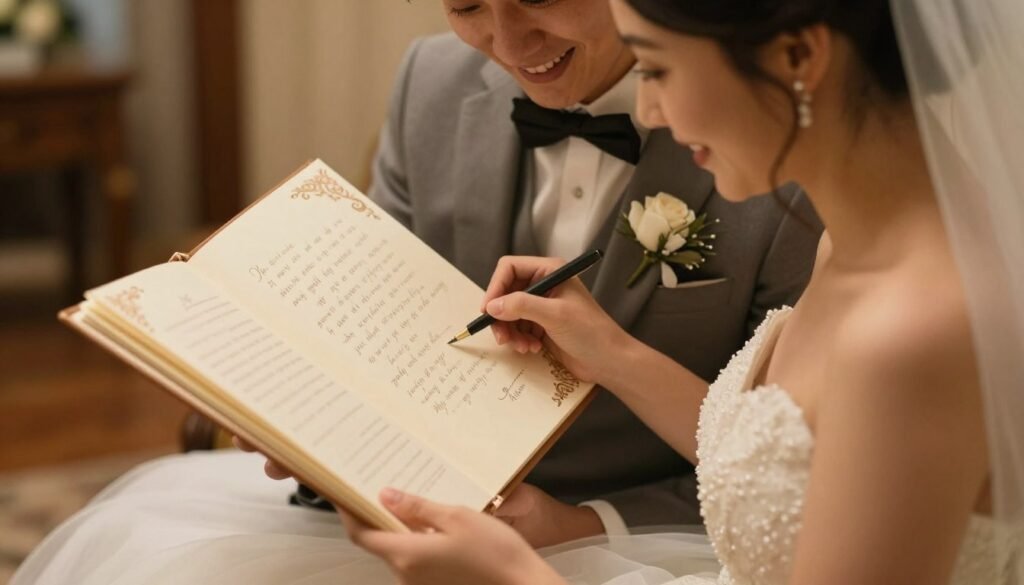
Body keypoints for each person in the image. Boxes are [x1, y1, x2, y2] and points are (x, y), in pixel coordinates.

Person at [12, 0, 1023, 583]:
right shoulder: (875, 232)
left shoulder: (910, 322)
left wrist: (519, 581)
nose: (656, 108)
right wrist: (611, 350)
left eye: (661, 67)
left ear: (799, 55)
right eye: (462, 6)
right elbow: (777, 433)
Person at [347, 0, 820, 543]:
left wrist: (582, 525)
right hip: (422, 515)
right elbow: (381, 331)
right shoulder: (428, 81)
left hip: (659, 543)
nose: (510, 44)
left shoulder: (781, 140)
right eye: (467, 5)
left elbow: (804, 469)